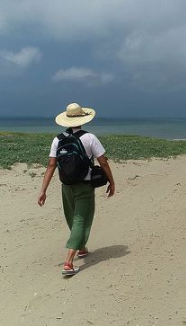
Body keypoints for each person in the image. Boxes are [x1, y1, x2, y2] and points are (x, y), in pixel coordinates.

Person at [37, 103, 116, 275]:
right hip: (84, 185)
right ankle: (69, 263)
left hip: (66, 186)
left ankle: (81, 248)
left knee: (72, 218)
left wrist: (43, 190)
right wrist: (112, 182)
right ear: (83, 119)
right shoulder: (90, 138)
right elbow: (103, 162)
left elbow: (51, 165)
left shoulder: (58, 139)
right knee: (81, 219)